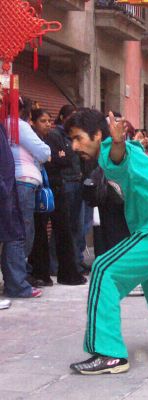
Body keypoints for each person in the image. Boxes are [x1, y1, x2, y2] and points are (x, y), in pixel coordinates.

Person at [66, 109, 148, 375]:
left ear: (97, 135)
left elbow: (118, 159)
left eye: (78, 138)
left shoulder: (111, 149)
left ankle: (108, 354)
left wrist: (115, 142)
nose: (74, 146)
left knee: (104, 268)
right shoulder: (131, 150)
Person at [28, 109, 87, 286]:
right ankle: (41, 273)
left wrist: (55, 157)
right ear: (33, 122)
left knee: (64, 230)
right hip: (42, 189)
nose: (47, 124)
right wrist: (55, 157)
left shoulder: (54, 137)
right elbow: (54, 158)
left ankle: (67, 273)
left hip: (57, 187)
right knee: (40, 231)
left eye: (48, 120)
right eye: (42, 121)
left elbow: (66, 159)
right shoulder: (33, 138)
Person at [0, 119, 41, 299]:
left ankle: (16, 283)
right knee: (15, 235)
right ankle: (17, 284)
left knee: (15, 234)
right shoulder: (17, 126)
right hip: (7, 188)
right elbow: (44, 151)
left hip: (9, 187)